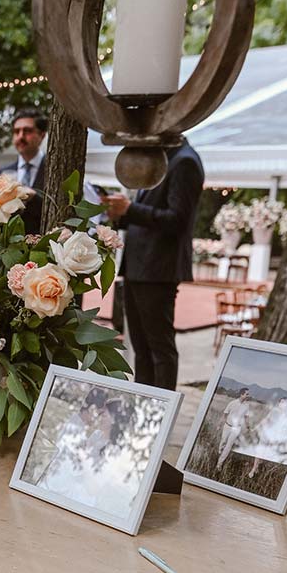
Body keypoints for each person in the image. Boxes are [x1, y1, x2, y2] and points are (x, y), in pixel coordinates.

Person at [104, 136, 204, 390]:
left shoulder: (185, 162)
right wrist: (120, 214)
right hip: (139, 268)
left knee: (160, 349)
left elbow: (177, 219)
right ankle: (143, 404)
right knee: (141, 349)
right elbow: (148, 218)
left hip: (158, 270)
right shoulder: (161, 159)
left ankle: (162, 408)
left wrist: (130, 210)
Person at [2, 108, 47, 236]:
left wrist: (35, 198)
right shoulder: (4, 172)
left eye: (27, 131)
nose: (20, 136)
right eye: (17, 132)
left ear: (42, 135)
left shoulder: (53, 171)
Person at [216, 388, 252, 470]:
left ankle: (219, 463)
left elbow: (246, 417)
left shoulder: (247, 406)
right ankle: (219, 452)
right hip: (227, 426)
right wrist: (219, 425)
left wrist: (248, 427)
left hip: (236, 429)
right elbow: (224, 415)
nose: (248, 396)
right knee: (223, 441)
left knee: (229, 446)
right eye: (247, 394)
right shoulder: (232, 403)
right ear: (241, 394)